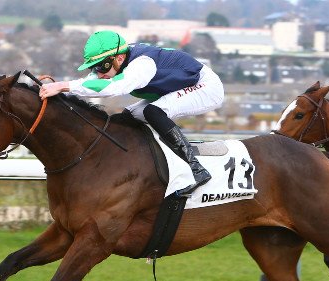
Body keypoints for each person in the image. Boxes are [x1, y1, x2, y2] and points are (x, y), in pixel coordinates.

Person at [39, 30, 225, 196]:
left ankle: (197, 170)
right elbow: (92, 82)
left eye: (101, 66)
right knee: (127, 116)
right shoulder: (115, 60)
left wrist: (63, 86)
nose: (98, 72)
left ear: (119, 58)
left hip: (205, 87)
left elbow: (114, 88)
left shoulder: (142, 65)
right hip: (175, 88)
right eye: (94, 67)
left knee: (153, 112)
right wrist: (59, 89)